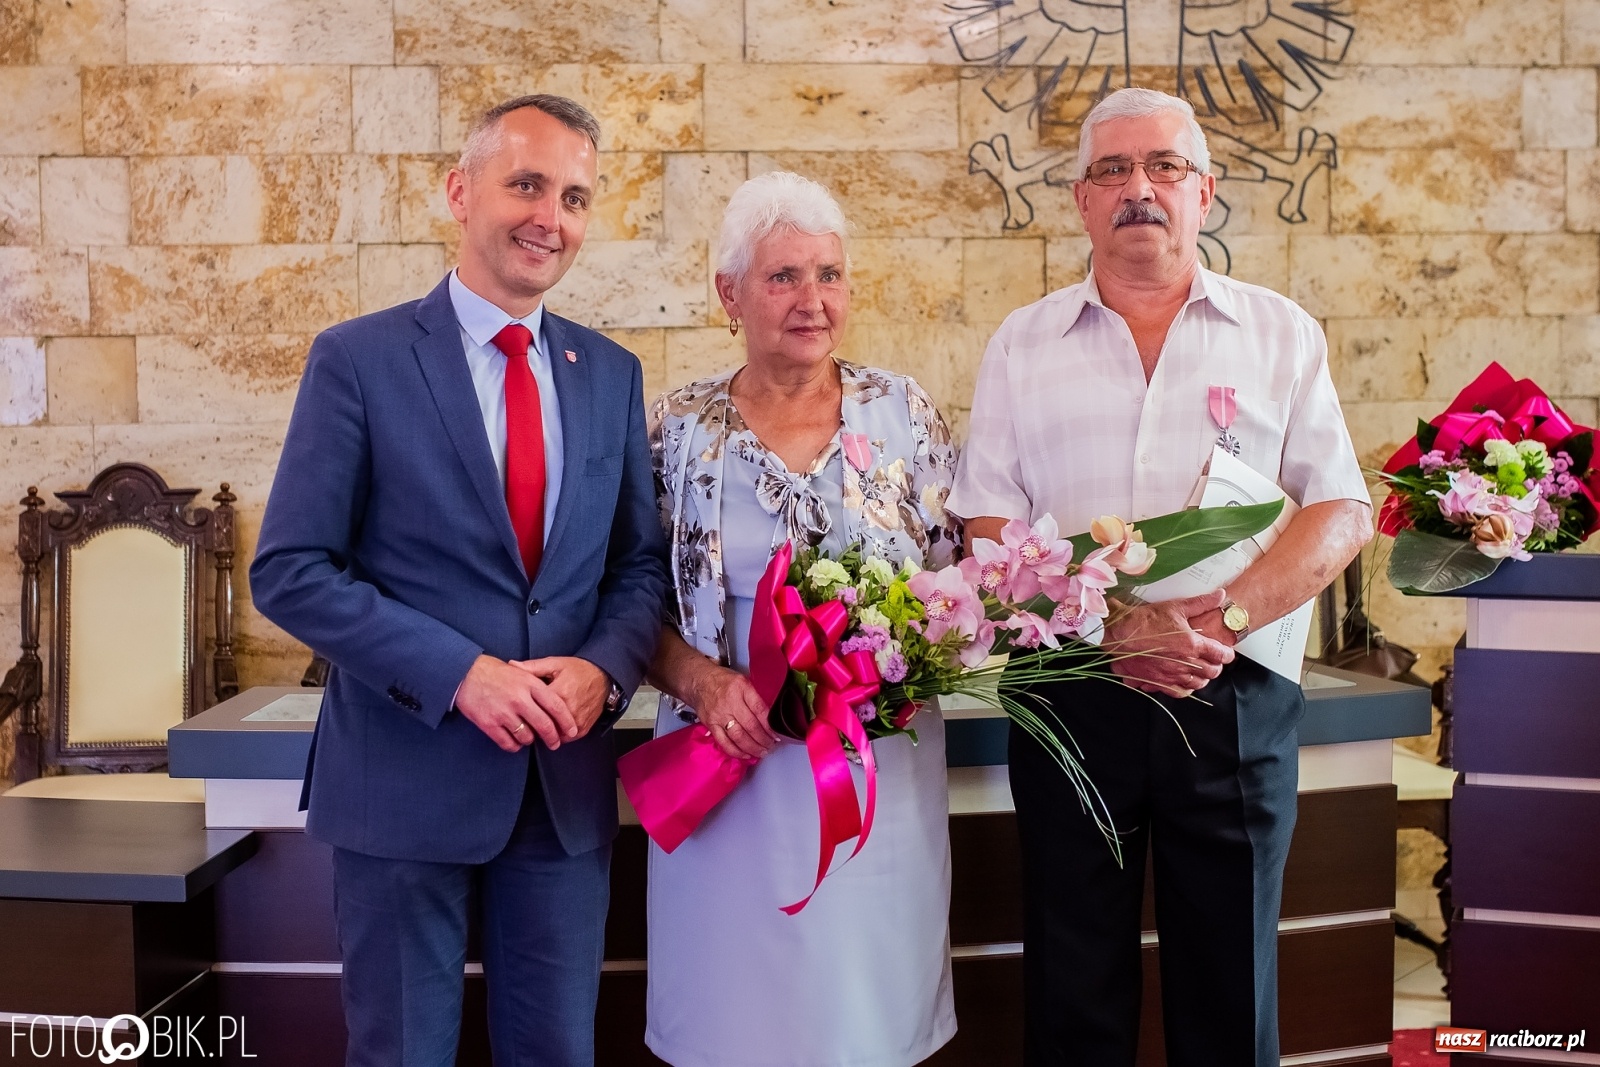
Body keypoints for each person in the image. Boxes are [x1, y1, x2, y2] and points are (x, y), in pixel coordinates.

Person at [947, 88, 1373, 1067]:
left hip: (1230, 693)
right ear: (1079, 199)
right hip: (1069, 694)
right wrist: (1107, 632)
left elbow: (1339, 508)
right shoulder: (1021, 343)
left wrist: (1220, 613)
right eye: (1112, 170)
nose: (1139, 187)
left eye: (1164, 167)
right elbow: (985, 523)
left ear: (1205, 193)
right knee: (1072, 970)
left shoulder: (1278, 333)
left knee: (1230, 979)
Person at [250, 95, 668, 1067]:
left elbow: (637, 564)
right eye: (526, 183)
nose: (548, 217)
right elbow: (292, 569)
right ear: (458, 190)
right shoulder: (356, 359)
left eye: (573, 196)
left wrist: (603, 671)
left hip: (561, 795)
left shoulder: (609, 372)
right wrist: (460, 671)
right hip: (403, 782)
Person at [644, 171, 961, 1067]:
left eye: (829, 274)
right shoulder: (674, 430)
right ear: (729, 294)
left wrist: (899, 657)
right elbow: (626, 599)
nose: (812, 300)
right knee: (731, 1018)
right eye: (784, 276)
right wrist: (703, 683)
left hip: (873, 779)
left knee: (864, 1016)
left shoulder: (904, 415)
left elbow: (959, 590)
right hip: (725, 766)